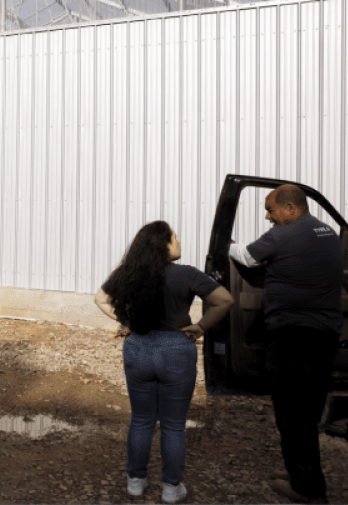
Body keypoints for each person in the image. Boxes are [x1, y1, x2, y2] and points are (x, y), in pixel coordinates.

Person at [94, 221, 234, 503]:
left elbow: (100, 298)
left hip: (139, 348)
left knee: (141, 419)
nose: (179, 242)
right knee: (173, 425)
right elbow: (224, 299)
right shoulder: (186, 274)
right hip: (176, 351)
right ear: (162, 245)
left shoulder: (128, 274)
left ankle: (135, 481)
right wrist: (201, 327)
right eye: (175, 238)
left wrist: (126, 321)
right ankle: (171, 488)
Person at [229, 185, 343, 505]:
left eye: (271, 209)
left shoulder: (285, 235)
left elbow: (247, 257)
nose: (268, 216)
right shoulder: (328, 232)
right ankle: (300, 475)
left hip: (294, 338)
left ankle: (307, 489)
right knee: (306, 411)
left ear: (290, 209)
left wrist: (228, 245)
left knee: (293, 415)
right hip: (323, 337)